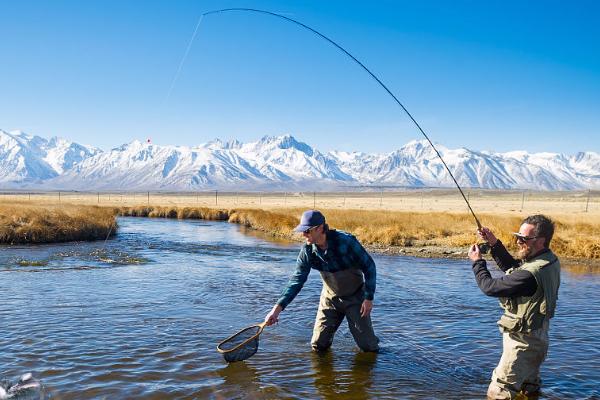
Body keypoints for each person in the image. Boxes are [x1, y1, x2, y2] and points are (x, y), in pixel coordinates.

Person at [468, 215, 560, 400]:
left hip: (522, 344)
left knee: (499, 393)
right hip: (538, 338)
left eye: (524, 238)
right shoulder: (549, 260)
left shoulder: (530, 273)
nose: (518, 241)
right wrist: (494, 243)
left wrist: (477, 262)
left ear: (541, 240)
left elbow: (490, 287)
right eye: (518, 235)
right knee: (528, 390)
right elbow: (515, 268)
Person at [264, 210, 379, 353]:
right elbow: (296, 281)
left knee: (369, 348)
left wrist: (368, 298)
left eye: (307, 231)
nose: (303, 234)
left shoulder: (346, 242)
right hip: (330, 298)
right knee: (318, 345)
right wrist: (276, 311)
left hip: (356, 298)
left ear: (320, 228)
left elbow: (370, 267)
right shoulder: (307, 251)